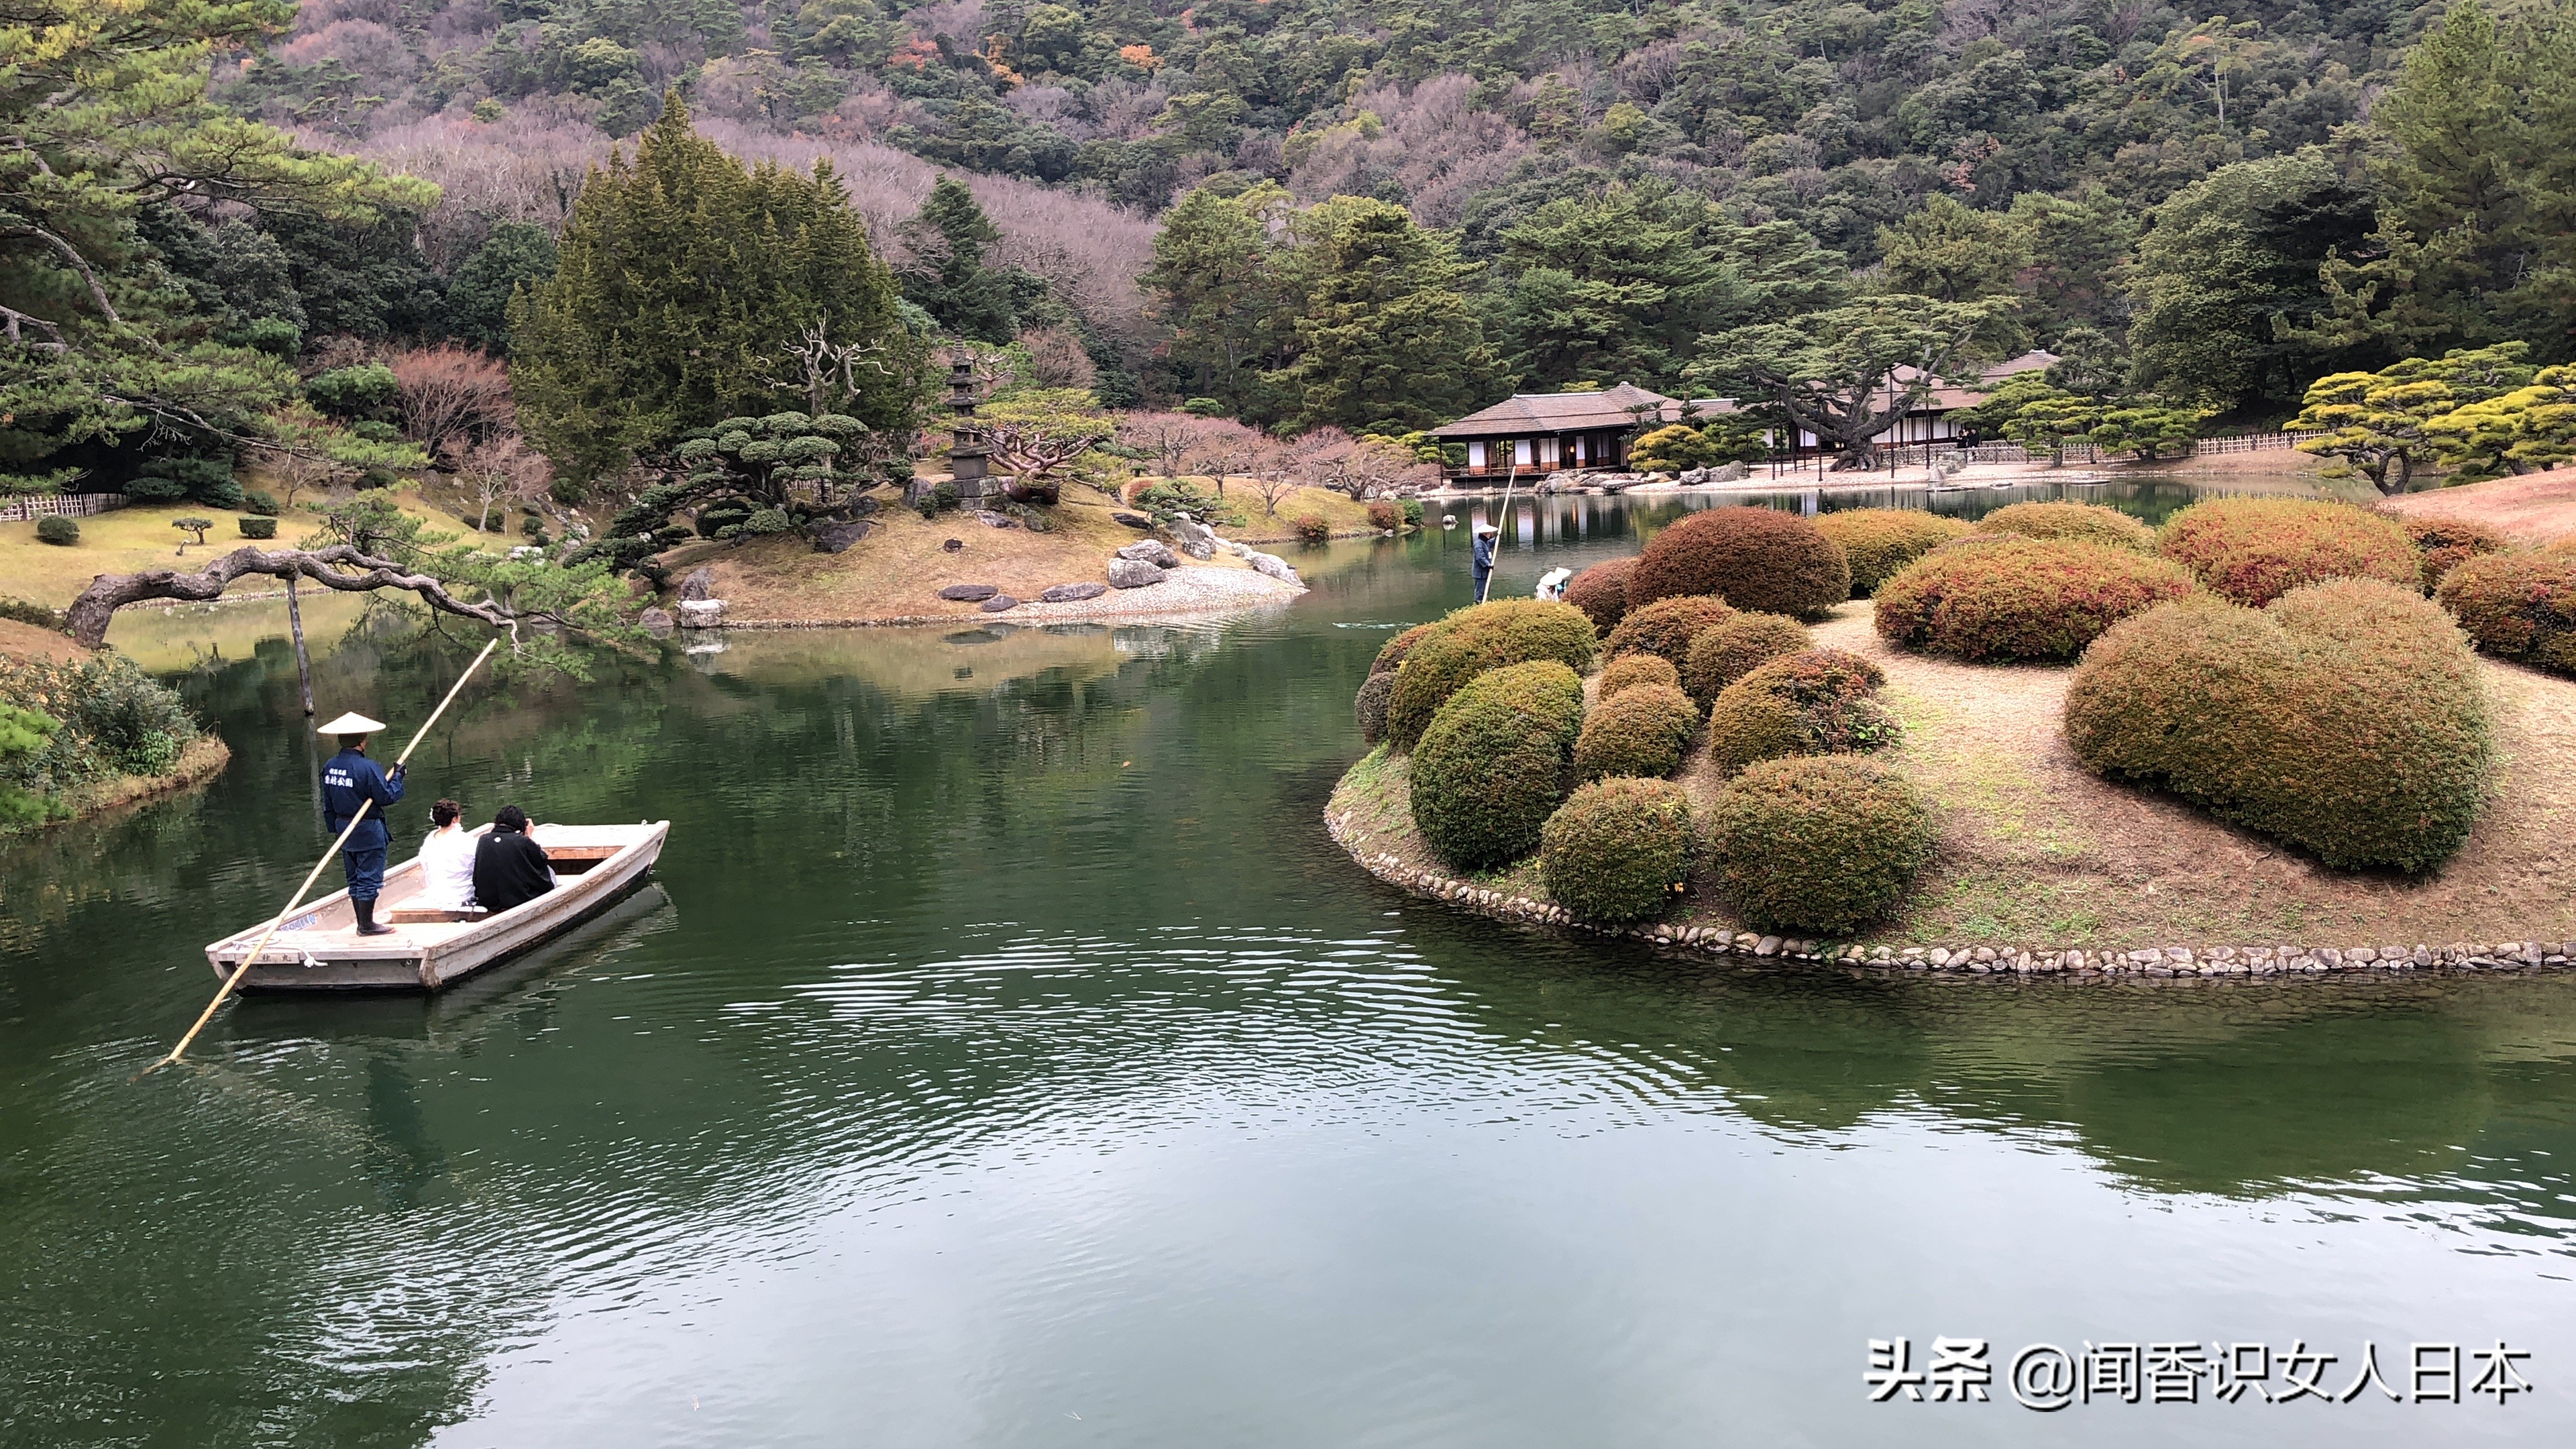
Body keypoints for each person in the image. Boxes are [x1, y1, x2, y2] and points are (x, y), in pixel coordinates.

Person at [317, 712, 407, 935]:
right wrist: (398, 777)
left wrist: (335, 830)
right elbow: (385, 797)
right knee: (368, 877)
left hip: (343, 828)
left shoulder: (330, 766)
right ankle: (366, 925)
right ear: (363, 740)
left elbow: (327, 801)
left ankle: (363, 923)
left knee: (355, 877)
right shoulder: (367, 767)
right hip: (366, 829)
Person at [472, 804, 557, 914]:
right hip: (518, 900)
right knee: (549, 871)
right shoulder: (522, 841)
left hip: (488, 901)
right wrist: (529, 835)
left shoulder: (483, 840)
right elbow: (541, 859)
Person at [416, 799, 478, 912]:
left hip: (436, 895)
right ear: (455, 819)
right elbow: (477, 867)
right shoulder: (464, 840)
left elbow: (426, 867)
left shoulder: (430, 839)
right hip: (462, 896)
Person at [1471, 521, 1499, 602]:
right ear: (1485, 533)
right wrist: (1488, 565)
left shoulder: (1485, 543)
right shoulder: (1478, 544)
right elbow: (1480, 557)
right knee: (1480, 591)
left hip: (1485, 572)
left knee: (1486, 590)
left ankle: (1485, 602)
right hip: (1480, 573)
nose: (1490, 535)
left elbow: (1491, 543)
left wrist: (1498, 537)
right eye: (1489, 533)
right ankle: (1479, 604)